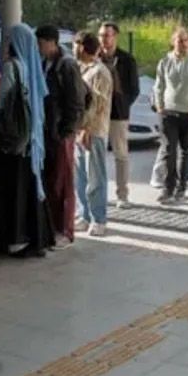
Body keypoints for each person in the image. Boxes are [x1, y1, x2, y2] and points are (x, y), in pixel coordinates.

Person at [0, 24, 53, 258]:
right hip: (30, 139)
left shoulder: (12, 66)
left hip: (10, 139)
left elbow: (1, 102)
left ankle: (3, 239)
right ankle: (34, 239)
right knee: (28, 188)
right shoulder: (33, 67)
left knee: (4, 188)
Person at [36, 25, 85, 248]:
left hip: (61, 132)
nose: (39, 48)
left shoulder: (66, 65)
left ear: (51, 42)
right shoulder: (45, 64)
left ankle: (65, 230)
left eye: (41, 43)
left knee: (62, 182)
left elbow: (76, 101)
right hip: (47, 130)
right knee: (50, 181)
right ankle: (52, 227)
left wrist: (67, 130)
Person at [153, 27, 188, 203]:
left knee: (185, 152)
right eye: (179, 40)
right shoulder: (165, 61)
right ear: (173, 42)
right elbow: (159, 85)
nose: (183, 44)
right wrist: (159, 105)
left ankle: (181, 187)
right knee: (169, 150)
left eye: (186, 40)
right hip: (168, 112)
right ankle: (167, 188)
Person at [73, 32, 113, 237]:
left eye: (75, 45)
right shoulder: (82, 69)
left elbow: (98, 104)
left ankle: (99, 218)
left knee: (95, 176)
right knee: (80, 176)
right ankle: (84, 215)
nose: (73, 49)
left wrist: (86, 128)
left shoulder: (100, 72)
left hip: (94, 131)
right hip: (79, 129)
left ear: (82, 46)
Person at [98, 22, 139, 206]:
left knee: (120, 154)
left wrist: (123, 103)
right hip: (98, 113)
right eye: (101, 35)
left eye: (107, 35)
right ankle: (98, 195)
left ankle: (122, 194)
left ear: (115, 37)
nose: (104, 39)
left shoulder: (126, 59)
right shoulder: (94, 57)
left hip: (118, 113)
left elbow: (134, 88)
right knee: (96, 155)